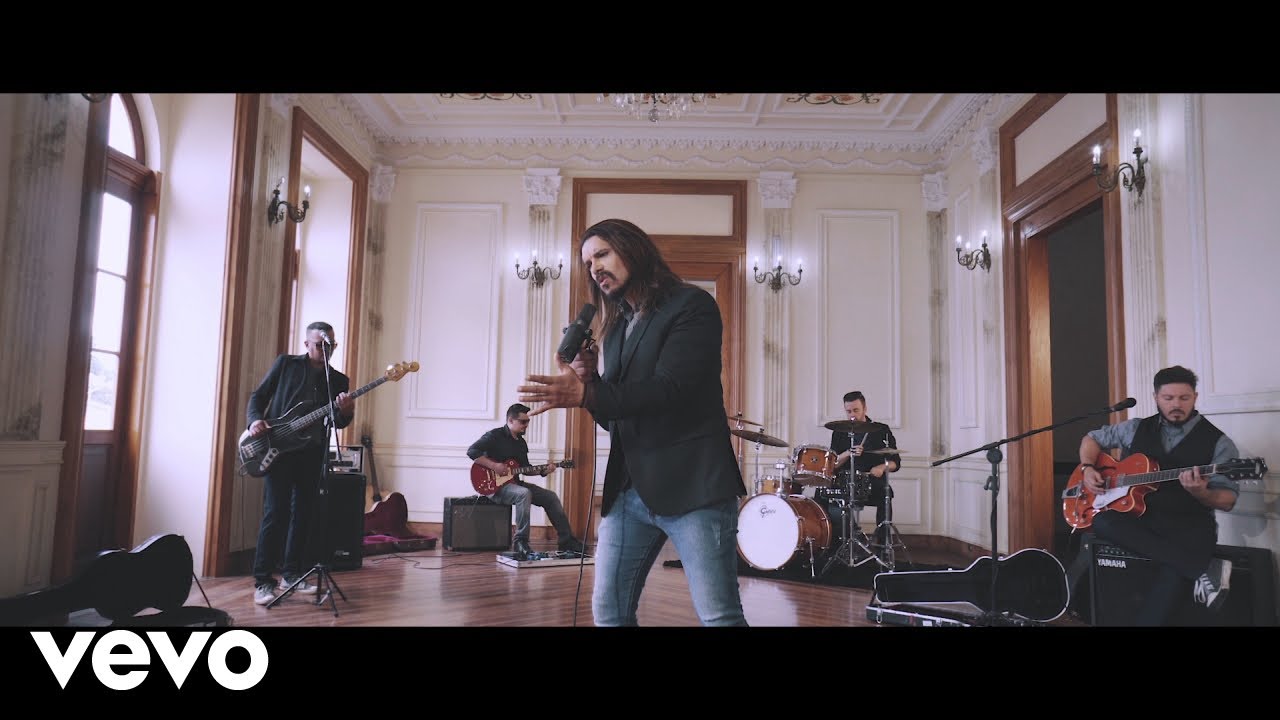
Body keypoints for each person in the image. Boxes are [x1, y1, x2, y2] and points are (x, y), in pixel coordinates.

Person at [516, 218, 749, 627]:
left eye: (602, 254)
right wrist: (591, 383)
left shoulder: (692, 305)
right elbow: (617, 418)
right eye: (588, 263)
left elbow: (669, 390)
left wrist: (584, 394)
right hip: (628, 492)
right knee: (609, 613)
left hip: (693, 488)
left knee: (719, 617)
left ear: (633, 248)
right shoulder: (618, 327)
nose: (595, 269)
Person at [1078, 365, 1239, 624]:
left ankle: (1188, 565)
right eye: (1168, 398)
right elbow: (1091, 439)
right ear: (1155, 397)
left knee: (1162, 599)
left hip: (1189, 527)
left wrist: (1201, 493)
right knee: (1102, 521)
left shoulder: (1219, 443)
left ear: (1195, 397)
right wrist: (1087, 467)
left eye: (1184, 398)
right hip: (1143, 522)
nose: (1176, 404)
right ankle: (1201, 568)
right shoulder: (1136, 428)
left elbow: (1228, 500)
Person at [247, 322, 355, 605]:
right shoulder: (286, 365)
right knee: (276, 513)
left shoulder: (338, 380)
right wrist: (255, 420)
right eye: (319, 345)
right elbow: (258, 396)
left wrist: (346, 411)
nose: (324, 350)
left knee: (304, 514)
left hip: (311, 454)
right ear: (307, 345)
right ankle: (262, 581)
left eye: (329, 345)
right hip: (278, 449)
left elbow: (337, 422)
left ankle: (292, 574)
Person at [466, 403, 584, 556]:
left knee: (550, 497)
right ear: (510, 420)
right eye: (523, 422)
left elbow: (525, 468)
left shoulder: (521, 443)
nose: (526, 425)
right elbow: (472, 451)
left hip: (514, 484)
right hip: (494, 487)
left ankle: (566, 541)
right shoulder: (494, 436)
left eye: (528, 421)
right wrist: (494, 466)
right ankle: (520, 542)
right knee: (524, 493)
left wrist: (544, 470)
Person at [825, 391, 899, 546]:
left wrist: (881, 467)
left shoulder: (881, 430)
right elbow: (833, 464)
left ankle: (883, 544)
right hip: (846, 481)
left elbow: (895, 462)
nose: (852, 415)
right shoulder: (839, 431)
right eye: (848, 411)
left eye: (856, 410)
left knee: (885, 492)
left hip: (872, 481)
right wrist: (847, 453)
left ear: (865, 408)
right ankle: (843, 540)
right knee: (824, 494)